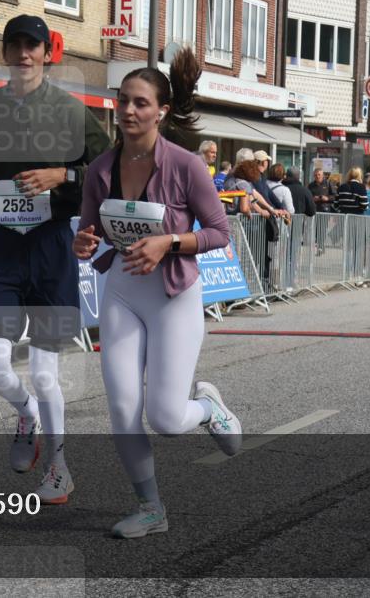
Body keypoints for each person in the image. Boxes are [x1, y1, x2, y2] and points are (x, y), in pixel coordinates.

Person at [74, 50, 238, 539]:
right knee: (123, 411)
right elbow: (88, 231)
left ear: (160, 111)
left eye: (140, 103)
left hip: (173, 296)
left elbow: (218, 232)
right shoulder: (100, 168)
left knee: (166, 418)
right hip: (121, 291)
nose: (128, 111)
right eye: (122, 101)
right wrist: (83, 241)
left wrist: (167, 241)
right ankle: (150, 508)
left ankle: (209, 408)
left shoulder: (186, 166)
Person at [0, 14, 110, 505]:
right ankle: (26, 413)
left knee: (45, 374)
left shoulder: (69, 111)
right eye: (15, 45)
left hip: (49, 251)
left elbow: (109, 169)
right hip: (1, 250)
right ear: (5, 54)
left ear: (47, 53)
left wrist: (61, 174)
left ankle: (60, 467)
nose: (24, 54)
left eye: (33, 46)